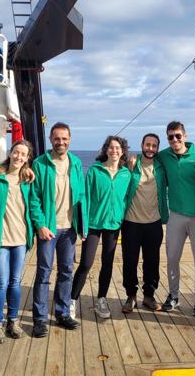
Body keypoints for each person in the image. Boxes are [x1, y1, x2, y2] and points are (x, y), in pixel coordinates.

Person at [30, 122, 87, 338]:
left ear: (70, 139)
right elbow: (33, 198)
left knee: (66, 272)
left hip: (69, 229)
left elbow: (81, 196)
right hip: (49, 229)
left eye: (64, 138)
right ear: (50, 139)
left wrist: (83, 225)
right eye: (56, 138)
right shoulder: (40, 163)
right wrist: (40, 224)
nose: (60, 142)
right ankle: (40, 319)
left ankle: (62, 313)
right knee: (44, 273)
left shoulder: (76, 163)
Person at [71, 136, 131, 319]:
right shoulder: (95, 171)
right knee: (86, 263)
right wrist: (83, 225)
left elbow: (127, 199)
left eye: (118, 148)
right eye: (111, 147)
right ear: (106, 150)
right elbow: (85, 198)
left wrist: (121, 217)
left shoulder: (126, 174)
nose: (114, 151)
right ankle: (71, 300)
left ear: (123, 151)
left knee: (108, 263)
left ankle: (102, 299)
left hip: (113, 225)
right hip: (94, 224)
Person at [157, 121, 195, 315]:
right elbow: (148, 162)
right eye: (170, 137)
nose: (175, 139)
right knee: (172, 258)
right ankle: (173, 296)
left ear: (185, 135)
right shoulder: (164, 156)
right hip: (176, 215)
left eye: (178, 135)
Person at [0, 140, 35, 344]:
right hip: (0, 238)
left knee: (15, 282)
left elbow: (35, 205)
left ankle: (12, 321)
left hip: (20, 239)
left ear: (27, 158)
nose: (18, 157)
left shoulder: (27, 180)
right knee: (0, 282)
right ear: (11, 152)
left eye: (23, 154)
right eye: (16, 152)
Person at [121, 133, 168, 313]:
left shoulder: (161, 167)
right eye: (147, 145)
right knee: (130, 261)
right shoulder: (131, 164)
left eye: (154, 146)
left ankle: (148, 295)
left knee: (152, 261)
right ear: (141, 145)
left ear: (157, 148)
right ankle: (130, 296)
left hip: (154, 222)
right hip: (131, 222)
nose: (150, 148)